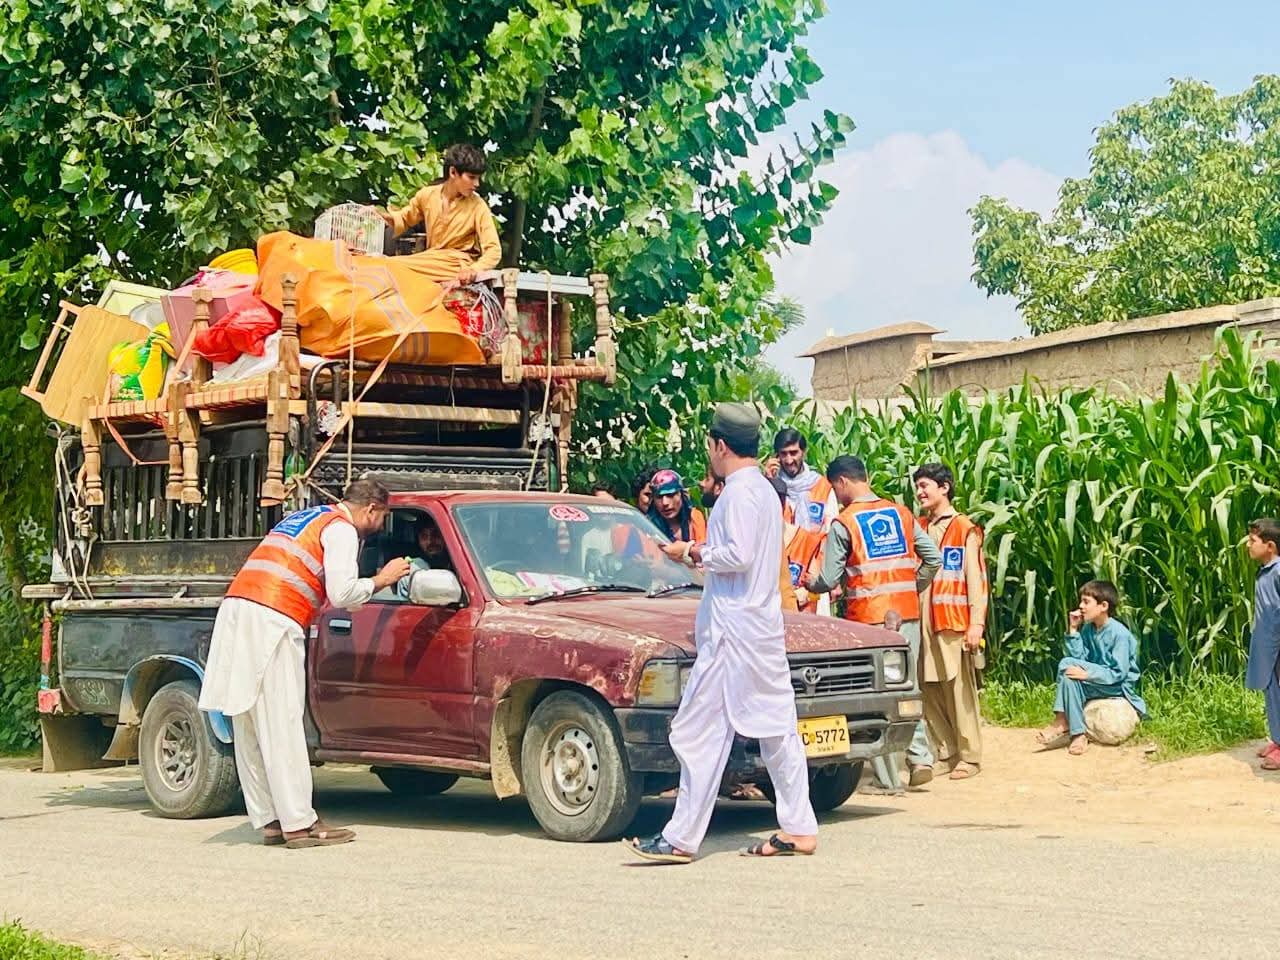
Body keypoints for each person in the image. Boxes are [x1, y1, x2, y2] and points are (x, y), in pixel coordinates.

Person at [625, 403, 818, 863]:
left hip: (733, 634)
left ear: (719, 445)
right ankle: (799, 826)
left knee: (697, 732)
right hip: (758, 628)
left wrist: (689, 550)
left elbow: (738, 555)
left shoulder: (738, 493)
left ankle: (681, 837)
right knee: (775, 729)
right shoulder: (765, 492)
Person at [199, 480, 411, 849]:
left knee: (249, 720)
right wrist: (383, 578)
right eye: (382, 518)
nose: (380, 527)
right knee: (281, 722)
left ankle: (270, 821)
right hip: (275, 615)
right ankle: (299, 824)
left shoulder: (307, 517)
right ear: (371, 510)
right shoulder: (342, 528)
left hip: (238, 609)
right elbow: (342, 593)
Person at [803, 455, 941, 790]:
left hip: (868, 621)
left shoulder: (845, 522)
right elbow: (933, 558)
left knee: (875, 693)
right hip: (906, 612)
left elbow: (830, 577)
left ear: (842, 483)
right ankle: (920, 757)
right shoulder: (901, 512)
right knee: (907, 685)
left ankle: (887, 779)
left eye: (835, 489)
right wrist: (913, 586)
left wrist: (811, 583)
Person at [913, 463, 986, 780]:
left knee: (959, 689)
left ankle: (969, 755)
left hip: (953, 620)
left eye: (925, 485)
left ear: (944, 487)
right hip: (921, 621)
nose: (920, 492)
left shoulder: (964, 528)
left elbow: (976, 580)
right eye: (917, 486)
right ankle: (946, 750)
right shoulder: (919, 526)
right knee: (928, 689)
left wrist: (976, 624)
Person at [1036, 580, 1147, 756]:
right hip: (1097, 682)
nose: (1081, 606)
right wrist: (1073, 629)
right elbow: (1078, 659)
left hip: (1116, 686)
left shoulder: (1120, 634)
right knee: (1068, 676)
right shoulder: (1089, 629)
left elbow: (1118, 673)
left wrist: (1087, 674)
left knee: (1066, 664)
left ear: (1103, 606)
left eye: (1086, 602)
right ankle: (1078, 734)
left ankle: (1062, 720)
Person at [378, 143, 502, 288]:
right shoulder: (427, 195)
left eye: (478, 178)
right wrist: (380, 215)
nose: (476, 184)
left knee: (388, 265)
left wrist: (473, 269)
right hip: (430, 259)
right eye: (472, 177)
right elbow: (404, 218)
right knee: (378, 264)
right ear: (453, 172)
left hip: (456, 264)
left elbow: (494, 250)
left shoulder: (478, 205)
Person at [765, 428, 838, 614]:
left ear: (803, 452)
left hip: (814, 575)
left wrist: (831, 579)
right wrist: (768, 482)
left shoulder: (822, 486)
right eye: (783, 454)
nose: (789, 460)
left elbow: (831, 536)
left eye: (794, 453)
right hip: (779, 575)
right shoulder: (769, 486)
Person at [1245, 519, 1280, 770]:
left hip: (1277, 645)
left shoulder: (1278, 572)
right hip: (1267, 643)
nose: (1248, 545)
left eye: (1252, 541)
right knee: (1272, 693)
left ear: (1270, 545)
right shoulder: (1265, 570)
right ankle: (1277, 740)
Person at [647, 469, 708, 545]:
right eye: (659, 497)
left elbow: (702, 550)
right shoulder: (647, 525)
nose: (665, 503)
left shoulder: (695, 517)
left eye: (670, 495)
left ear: (682, 495)